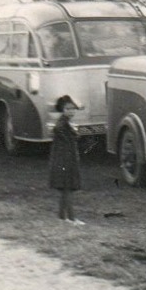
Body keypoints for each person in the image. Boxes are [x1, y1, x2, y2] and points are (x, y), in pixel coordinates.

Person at [50, 95, 84, 224]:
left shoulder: (65, 123)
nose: (71, 111)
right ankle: (71, 218)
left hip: (64, 159)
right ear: (63, 110)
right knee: (68, 188)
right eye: (68, 109)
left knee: (65, 189)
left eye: (73, 109)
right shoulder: (63, 124)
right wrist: (74, 133)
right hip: (65, 160)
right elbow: (60, 131)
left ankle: (62, 217)